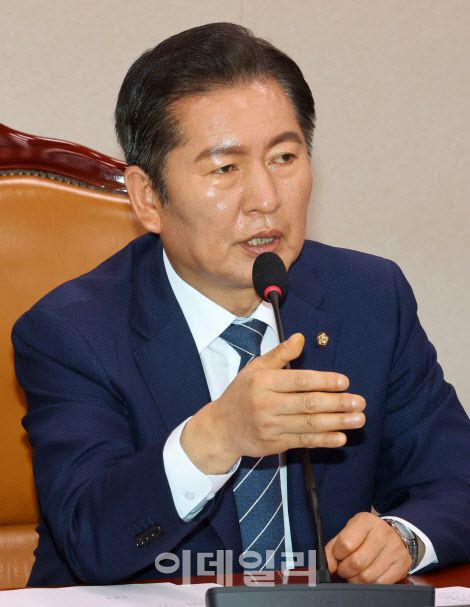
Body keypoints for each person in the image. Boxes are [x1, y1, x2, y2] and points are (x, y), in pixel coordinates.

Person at [12, 22, 470, 587]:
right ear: (148, 198)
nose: (266, 199)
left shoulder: (370, 297)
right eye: (225, 168)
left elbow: (456, 480)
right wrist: (217, 436)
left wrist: (403, 537)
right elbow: (89, 539)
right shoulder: (71, 332)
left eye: (284, 157)